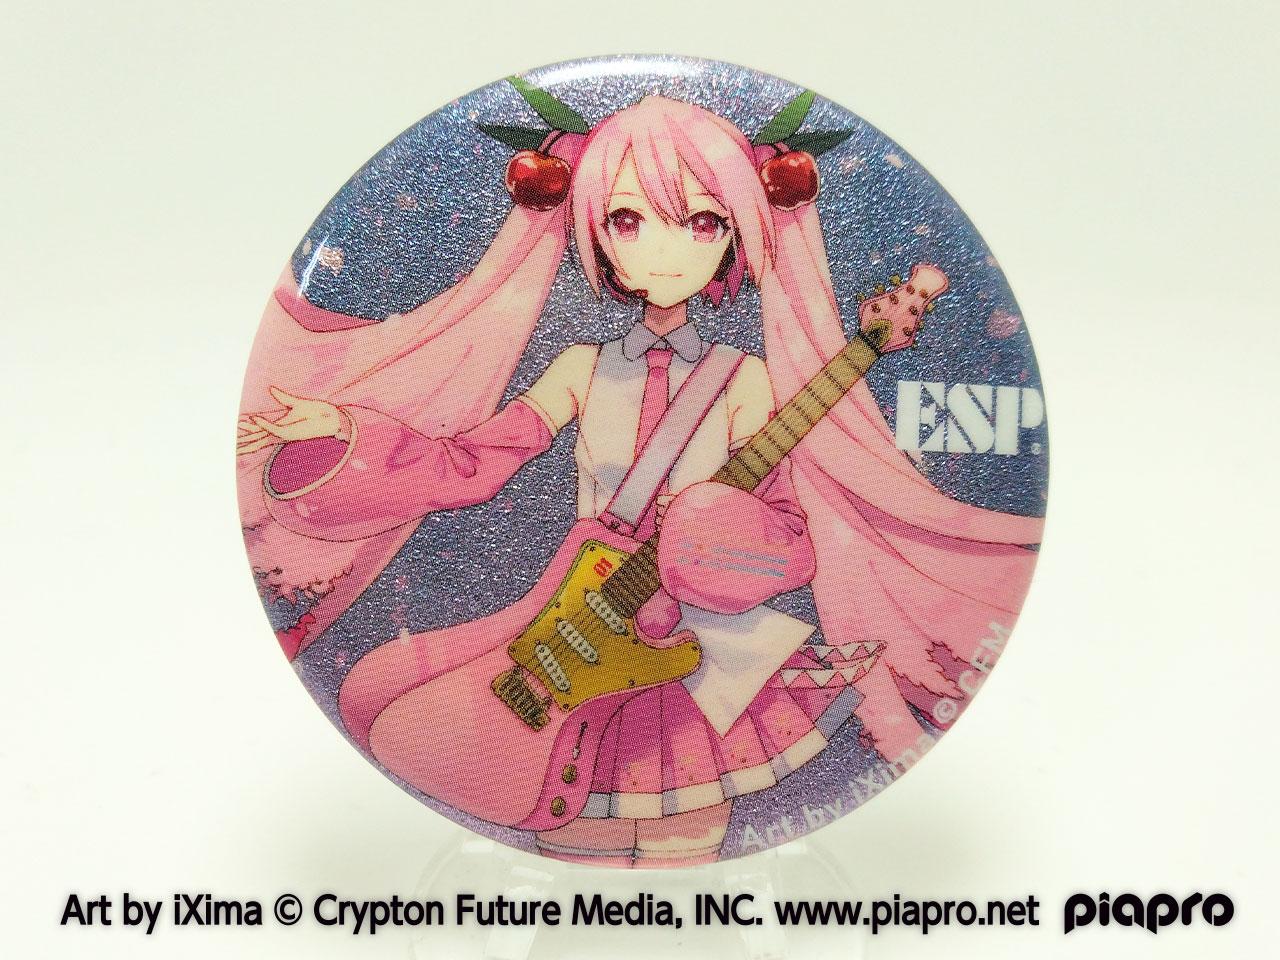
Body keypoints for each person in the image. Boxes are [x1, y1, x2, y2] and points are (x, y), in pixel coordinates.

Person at [237, 94, 1043, 864]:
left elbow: (792, 536)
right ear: (594, 232)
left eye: (702, 223)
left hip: (695, 643)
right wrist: (346, 427)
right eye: (627, 220)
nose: (663, 250)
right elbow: (473, 463)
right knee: (557, 813)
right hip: (570, 619)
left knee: (683, 828)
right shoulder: (581, 367)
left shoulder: (746, 381)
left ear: (736, 236)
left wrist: (718, 543)